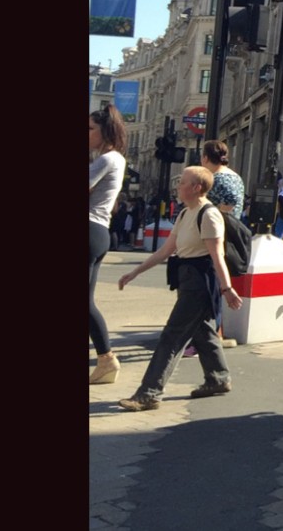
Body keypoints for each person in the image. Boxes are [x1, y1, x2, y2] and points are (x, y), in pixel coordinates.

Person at [115, 166, 244, 410]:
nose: (177, 186)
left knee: (172, 336)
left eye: (182, 182)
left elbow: (217, 256)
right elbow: (166, 250)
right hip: (186, 277)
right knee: (202, 331)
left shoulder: (208, 214)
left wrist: (227, 289)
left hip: (199, 281)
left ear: (196, 187)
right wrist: (134, 272)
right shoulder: (186, 213)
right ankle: (218, 377)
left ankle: (149, 392)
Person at [89, 105, 128, 385]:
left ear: (105, 131)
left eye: (90, 129)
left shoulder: (106, 160)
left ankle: (107, 358)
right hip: (98, 231)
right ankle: (106, 359)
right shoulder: (115, 159)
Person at [200, 140, 244, 215]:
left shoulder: (214, 180)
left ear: (205, 158)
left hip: (215, 224)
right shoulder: (237, 178)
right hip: (233, 224)